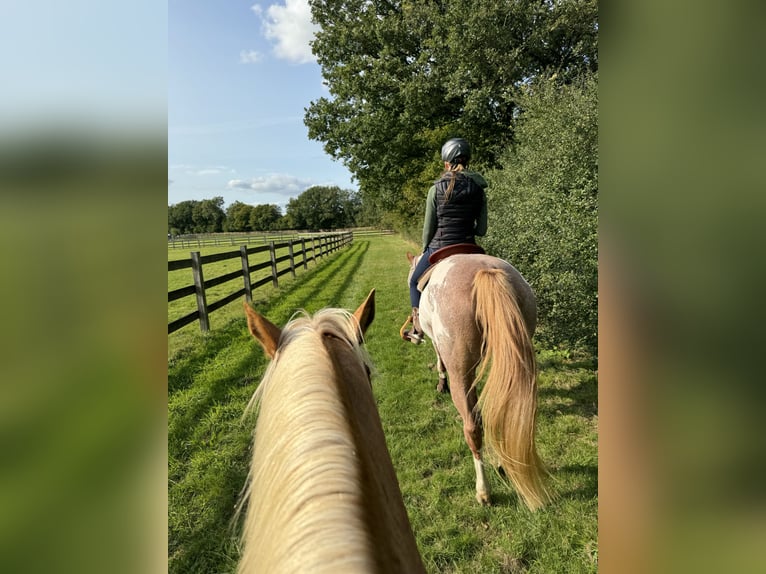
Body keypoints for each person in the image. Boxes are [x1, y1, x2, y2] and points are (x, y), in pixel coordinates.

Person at [402, 137, 488, 344]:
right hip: (469, 246)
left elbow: (428, 229)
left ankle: (418, 327)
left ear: (447, 163)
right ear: (467, 160)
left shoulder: (436, 189)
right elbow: (482, 230)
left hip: (440, 247)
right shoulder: (479, 188)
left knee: (414, 281)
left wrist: (425, 250)